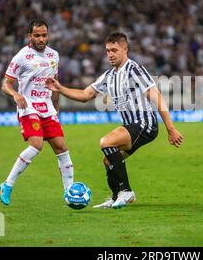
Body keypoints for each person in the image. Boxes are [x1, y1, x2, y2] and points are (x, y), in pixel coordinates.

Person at [45, 32, 184, 209]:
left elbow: (156, 96)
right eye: (108, 50)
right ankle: (116, 195)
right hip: (131, 126)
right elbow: (85, 95)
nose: (110, 54)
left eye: (114, 50)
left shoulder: (134, 69)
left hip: (145, 123)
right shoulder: (108, 76)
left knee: (106, 142)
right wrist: (60, 88)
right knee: (109, 160)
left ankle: (126, 192)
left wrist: (170, 128)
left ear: (125, 49)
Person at [0, 19, 74, 205]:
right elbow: (5, 85)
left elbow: (54, 85)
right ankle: (7, 185)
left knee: (61, 147)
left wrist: (56, 110)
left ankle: (69, 192)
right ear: (30, 36)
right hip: (28, 107)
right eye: (37, 35)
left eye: (44, 35)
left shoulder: (54, 55)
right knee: (37, 145)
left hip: (47, 108)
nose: (41, 39)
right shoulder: (21, 56)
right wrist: (15, 94)